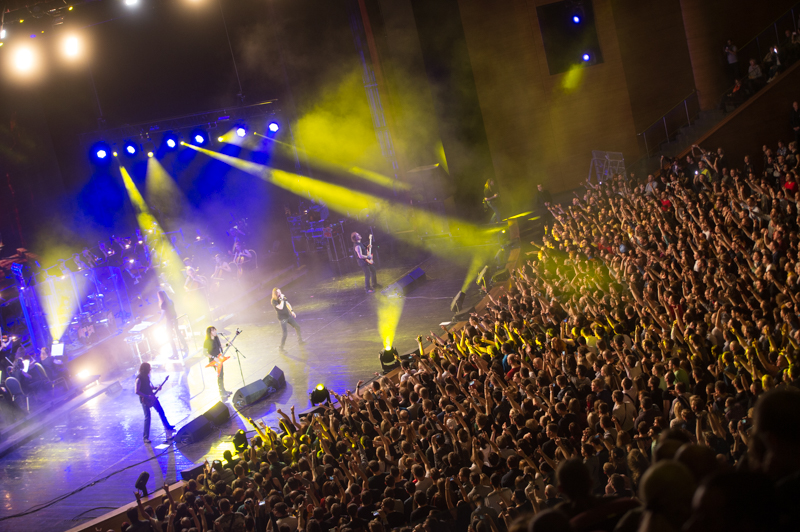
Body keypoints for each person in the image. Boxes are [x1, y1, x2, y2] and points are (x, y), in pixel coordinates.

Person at [134, 362, 174, 444]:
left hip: (152, 397)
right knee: (147, 417)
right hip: (145, 400)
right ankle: (145, 438)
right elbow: (137, 391)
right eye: (149, 368)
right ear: (145, 369)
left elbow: (149, 387)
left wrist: (156, 388)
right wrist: (147, 396)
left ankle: (167, 426)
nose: (150, 370)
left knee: (161, 411)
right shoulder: (139, 378)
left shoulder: (146, 377)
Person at [156, 290, 188, 360]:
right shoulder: (170, 301)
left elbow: (163, 316)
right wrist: (161, 313)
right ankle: (185, 346)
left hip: (170, 321)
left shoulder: (163, 304)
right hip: (174, 319)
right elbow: (169, 311)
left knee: (169, 337)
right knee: (178, 333)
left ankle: (175, 353)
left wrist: (158, 321)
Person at [204, 326, 230, 398]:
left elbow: (220, 346)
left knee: (222, 374)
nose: (215, 331)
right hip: (214, 361)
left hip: (219, 359)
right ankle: (221, 392)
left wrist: (227, 344)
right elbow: (205, 353)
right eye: (213, 331)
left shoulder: (216, 338)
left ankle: (223, 390)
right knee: (219, 375)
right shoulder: (207, 341)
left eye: (215, 330)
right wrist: (213, 357)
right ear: (210, 332)